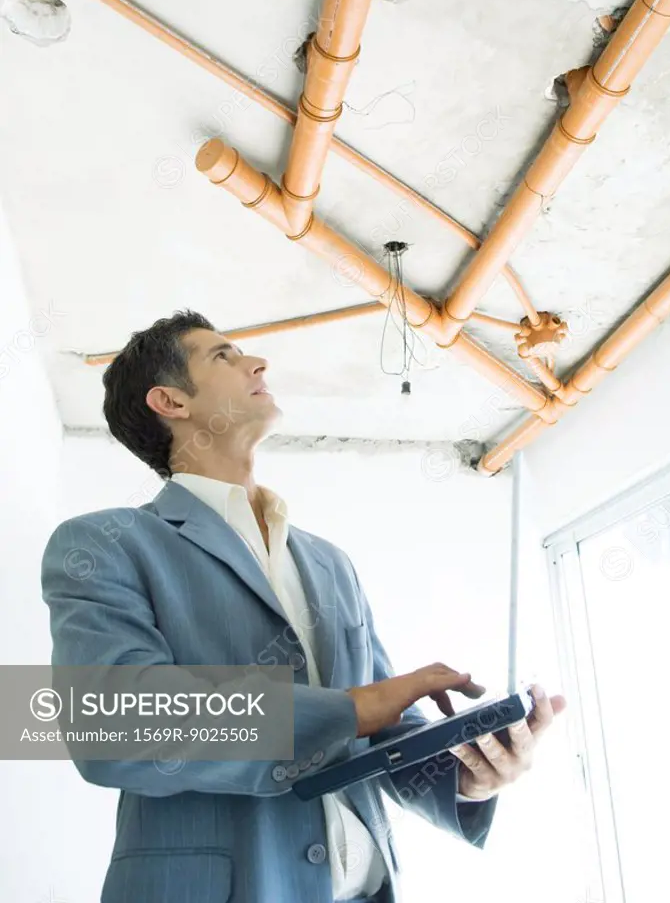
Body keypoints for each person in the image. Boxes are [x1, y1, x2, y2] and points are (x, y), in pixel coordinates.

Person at [41, 309, 565, 903]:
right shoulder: (103, 544)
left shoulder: (330, 562)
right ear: (170, 401)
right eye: (222, 356)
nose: (258, 363)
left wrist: (466, 779)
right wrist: (352, 707)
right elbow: (112, 721)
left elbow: (383, 729)